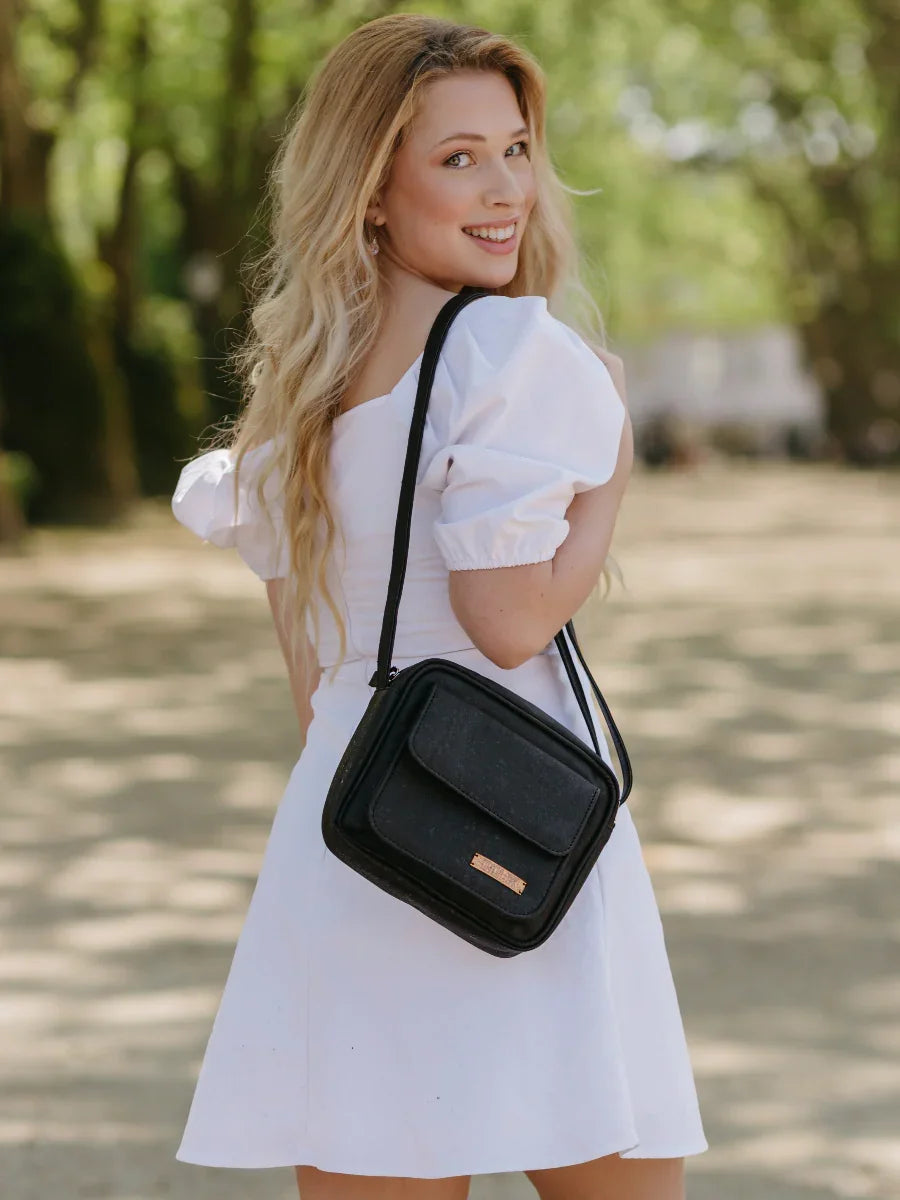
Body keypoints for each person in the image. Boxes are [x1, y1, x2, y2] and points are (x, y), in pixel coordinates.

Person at [170, 14, 707, 1200]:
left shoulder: (306, 386)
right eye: (457, 158)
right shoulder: (513, 351)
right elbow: (510, 622)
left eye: (514, 149)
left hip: (357, 825)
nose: (505, 187)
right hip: (513, 815)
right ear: (372, 189)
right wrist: (607, 477)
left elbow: (312, 680)